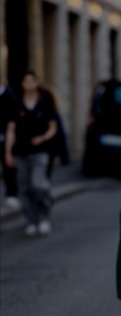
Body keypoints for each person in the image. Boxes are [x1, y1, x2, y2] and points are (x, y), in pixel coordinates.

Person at [4, 70, 58, 236]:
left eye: (31, 81)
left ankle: (44, 217)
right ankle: (32, 221)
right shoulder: (17, 106)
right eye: (25, 81)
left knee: (37, 184)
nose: (28, 84)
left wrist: (42, 138)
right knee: (25, 189)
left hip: (40, 152)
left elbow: (53, 127)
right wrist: (8, 152)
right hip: (22, 152)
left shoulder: (44, 104)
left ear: (36, 83)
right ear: (22, 84)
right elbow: (11, 130)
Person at [1, 75, 19, 208]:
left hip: (6, 136)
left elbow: (13, 120)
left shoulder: (10, 96)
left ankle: (12, 194)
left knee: (8, 165)